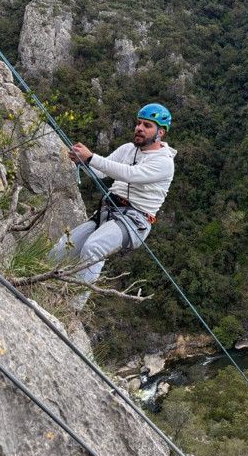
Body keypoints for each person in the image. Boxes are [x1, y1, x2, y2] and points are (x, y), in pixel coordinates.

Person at [49, 103, 176, 308]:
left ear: (160, 132)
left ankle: (74, 308)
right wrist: (81, 161)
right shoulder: (128, 149)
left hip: (135, 220)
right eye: (138, 124)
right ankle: (40, 287)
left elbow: (129, 175)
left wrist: (90, 158)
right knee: (61, 249)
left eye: (147, 125)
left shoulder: (164, 162)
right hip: (108, 212)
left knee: (94, 247)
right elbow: (99, 172)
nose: (139, 128)